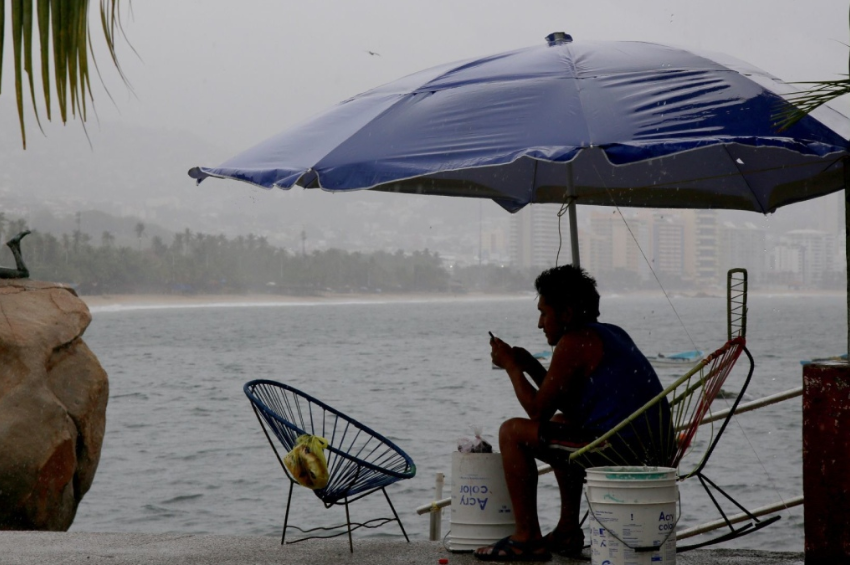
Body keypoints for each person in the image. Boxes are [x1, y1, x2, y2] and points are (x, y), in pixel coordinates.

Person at [474, 265, 671, 562]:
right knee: (561, 424)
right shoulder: (609, 333)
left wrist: (511, 368)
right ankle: (567, 530)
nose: (540, 324)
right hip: (651, 448)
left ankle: (527, 539)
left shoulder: (575, 341)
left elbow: (537, 410)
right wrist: (530, 365)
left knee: (512, 432)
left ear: (566, 313)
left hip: (624, 451)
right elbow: (571, 406)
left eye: (544, 313)